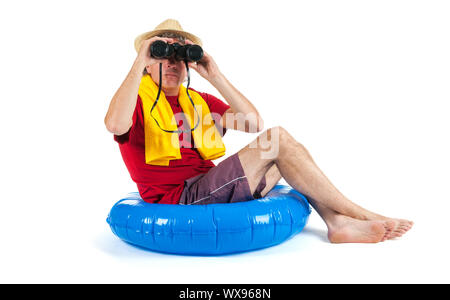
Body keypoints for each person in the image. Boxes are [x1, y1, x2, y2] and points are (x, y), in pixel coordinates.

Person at [104, 19, 413, 243]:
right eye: (161, 55)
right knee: (277, 141)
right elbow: (115, 125)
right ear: (147, 61)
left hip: (208, 183)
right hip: (181, 198)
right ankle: (359, 213)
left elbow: (252, 124)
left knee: (285, 152)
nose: (171, 64)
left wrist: (215, 75)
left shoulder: (198, 101)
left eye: (178, 58)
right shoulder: (133, 99)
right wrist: (139, 61)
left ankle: (336, 223)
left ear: (187, 65)